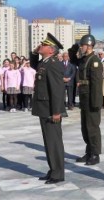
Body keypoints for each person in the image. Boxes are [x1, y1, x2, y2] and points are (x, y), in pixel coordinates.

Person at [30, 33, 67, 184]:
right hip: (44, 108)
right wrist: (34, 51)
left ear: (51, 50)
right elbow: (33, 63)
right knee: (48, 141)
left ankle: (58, 173)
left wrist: (57, 111)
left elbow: (57, 90)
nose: (41, 46)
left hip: (51, 110)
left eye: (44, 45)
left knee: (54, 142)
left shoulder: (53, 64)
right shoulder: (44, 62)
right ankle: (53, 170)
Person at [74, 34, 103, 166]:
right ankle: (89, 151)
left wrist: (96, 102)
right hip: (85, 98)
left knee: (92, 127)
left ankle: (95, 154)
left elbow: (96, 84)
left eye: (83, 45)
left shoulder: (94, 61)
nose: (81, 48)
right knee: (85, 127)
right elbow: (72, 55)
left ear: (89, 46)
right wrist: (77, 47)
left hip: (92, 98)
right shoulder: (84, 59)